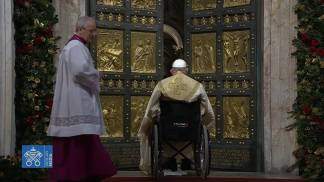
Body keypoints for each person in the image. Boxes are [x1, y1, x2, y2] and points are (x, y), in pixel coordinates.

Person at [47, 16, 117, 181]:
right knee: (80, 140)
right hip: (77, 101)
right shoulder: (76, 47)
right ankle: (80, 175)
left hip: (73, 99)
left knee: (75, 142)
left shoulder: (73, 46)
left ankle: (74, 175)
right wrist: (97, 74)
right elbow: (80, 71)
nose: (94, 34)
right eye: (92, 30)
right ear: (80, 29)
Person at [138, 58, 215, 174]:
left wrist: (149, 121)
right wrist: (203, 119)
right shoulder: (197, 86)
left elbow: (152, 108)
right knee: (197, 125)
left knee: (153, 126)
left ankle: (168, 159)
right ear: (186, 70)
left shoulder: (162, 85)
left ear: (171, 71)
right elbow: (208, 111)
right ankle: (188, 160)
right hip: (190, 130)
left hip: (167, 130)